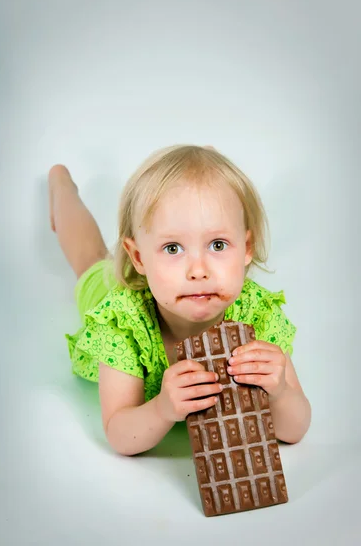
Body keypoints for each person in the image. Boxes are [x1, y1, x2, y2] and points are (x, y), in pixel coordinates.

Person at [48, 144, 311, 456]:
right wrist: (161, 410)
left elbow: (295, 430)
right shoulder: (122, 324)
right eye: (173, 248)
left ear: (246, 247)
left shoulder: (257, 315)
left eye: (217, 244)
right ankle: (62, 187)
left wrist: (279, 392)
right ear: (138, 257)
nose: (198, 271)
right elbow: (119, 435)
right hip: (115, 291)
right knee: (89, 259)